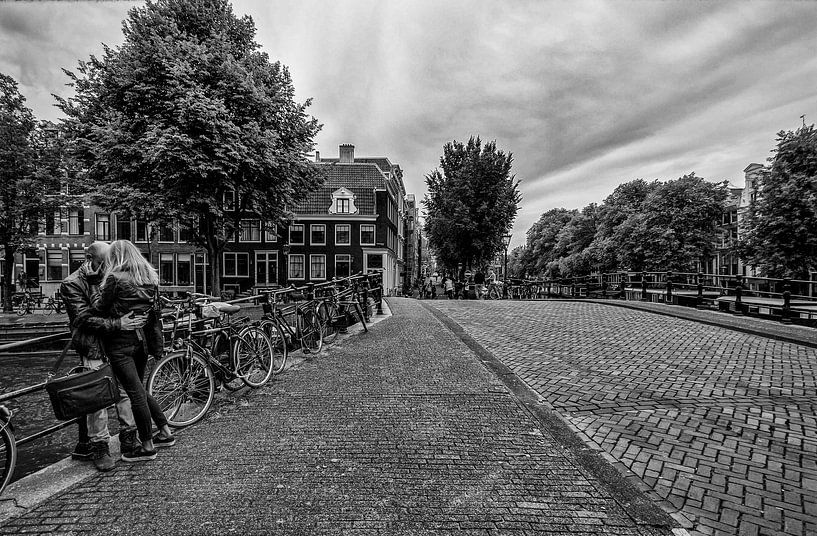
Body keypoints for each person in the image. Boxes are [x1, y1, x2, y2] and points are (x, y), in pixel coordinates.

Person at [90, 240, 175, 463]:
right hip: (141, 342)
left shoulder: (114, 278)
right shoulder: (149, 278)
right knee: (139, 389)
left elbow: (99, 307)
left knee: (135, 393)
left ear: (116, 256)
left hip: (120, 343)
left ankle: (147, 446)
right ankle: (165, 431)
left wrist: (94, 291)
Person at [61, 242, 142, 472]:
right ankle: (99, 446)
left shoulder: (111, 275)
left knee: (124, 391)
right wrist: (119, 323)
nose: (108, 266)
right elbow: (83, 318)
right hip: (93, 346)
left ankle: (129, 438)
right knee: (97, 397)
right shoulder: (71, 283)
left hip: (116, 343)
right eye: (103, 263)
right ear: (90, 259)